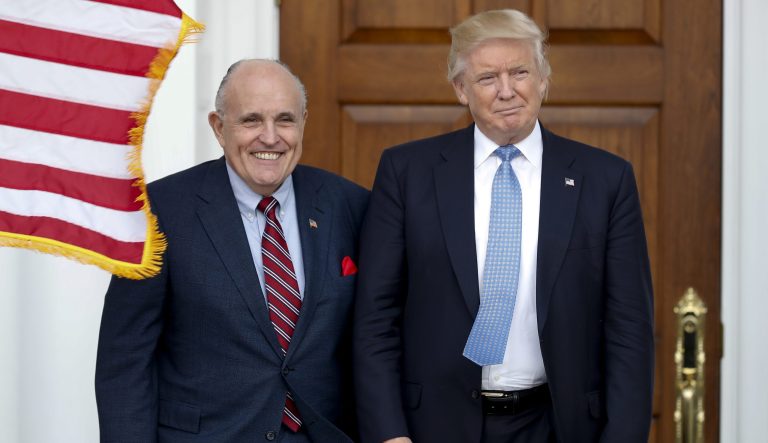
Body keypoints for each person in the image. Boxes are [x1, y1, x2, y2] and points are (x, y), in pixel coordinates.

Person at [353, 9, 654, 443]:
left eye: (520, 72)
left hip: (559, 425)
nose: (507, 91)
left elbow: (629, 329)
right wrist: (388, 433)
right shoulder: (406, 172)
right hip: (432, 426)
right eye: (488, 78)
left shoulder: (606, 180)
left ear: (544, 79)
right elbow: (375, 318)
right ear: (461, 89)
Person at [96, 59, 368, 443]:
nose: (270, 137)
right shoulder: (160, 211)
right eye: (251, 120)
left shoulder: (351, 206)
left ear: (304, 122)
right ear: (219, 127)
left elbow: (379, 338)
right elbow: (125, 360)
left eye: (285, 120)